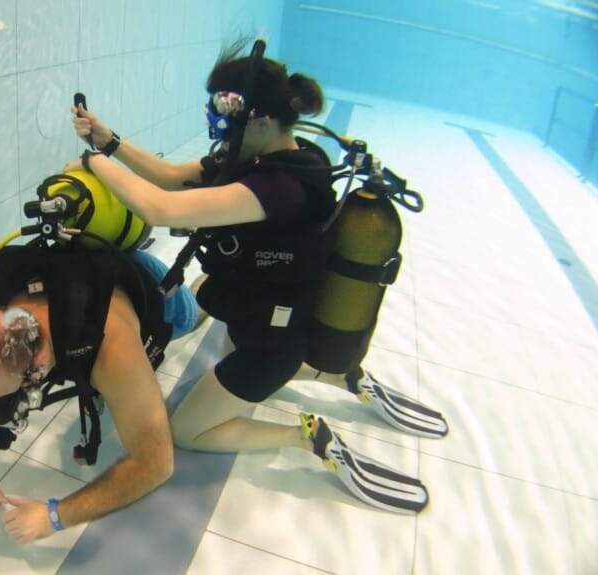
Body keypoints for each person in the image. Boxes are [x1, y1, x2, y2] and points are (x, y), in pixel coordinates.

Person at [66, 38, 444, 513]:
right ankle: (335, 375)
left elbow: (159, 207)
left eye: (224, 120)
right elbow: (168, 176)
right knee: (209, 309)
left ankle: (306, 436)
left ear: (262, 121)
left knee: (188, 431)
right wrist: (109, 141)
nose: (218, 131)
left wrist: (91, 163)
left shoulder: (280, 188)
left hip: (271, 344)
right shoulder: (274, 155)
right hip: (265, 313)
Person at [0, 240, 199, 543]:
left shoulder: (112, 348)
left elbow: (156, 463)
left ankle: (202, 293)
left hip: (150, 284)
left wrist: (55, 516)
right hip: (77, 270)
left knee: (192, 317)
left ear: (38, 369)